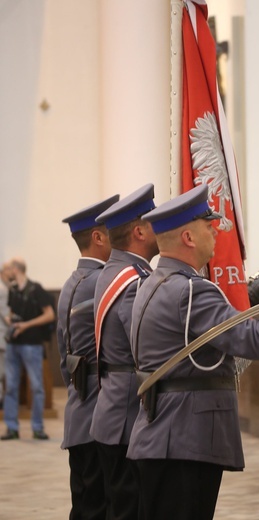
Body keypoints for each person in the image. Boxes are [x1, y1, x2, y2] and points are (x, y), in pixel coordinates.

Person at [127, 184, 259, 520]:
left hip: (165, 434)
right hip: (183, 437)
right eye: (207, 224)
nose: (216, 229)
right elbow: (248, 339)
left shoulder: (154, 283)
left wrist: (248, 301)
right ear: (188, 237)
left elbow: (203, 333)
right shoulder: (191, 290)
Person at [90, 184, 158, 520]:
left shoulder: (116, 271)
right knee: (130, 511)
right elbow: (149, 345)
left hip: (115, 410)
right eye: (154, 219)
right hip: (126, 418)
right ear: (140, 231)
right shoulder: (131, 280)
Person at [57, 193, 119, 520]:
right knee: (97, 507)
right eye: (114, 231)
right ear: (97, 237)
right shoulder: (101, 283)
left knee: (84, 505)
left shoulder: (71, 283)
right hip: (99, 414)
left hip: (78, 412)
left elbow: (62, 353)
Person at [1, 257, 55, 440]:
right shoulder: (13, 290)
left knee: (37, 386)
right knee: (11, 387)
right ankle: (12, 427)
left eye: (6, 269)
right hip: (13, 344)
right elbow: (11, 313)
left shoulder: (36, 289)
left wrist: (26, 325)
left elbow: (49, 315)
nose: (4, 272)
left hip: (32, 345)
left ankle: (38, 427)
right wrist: (11, 321)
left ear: (15, 270)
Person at [0, 262, 12, 408]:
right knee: (1, 370)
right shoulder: (2, 289)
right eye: (10, 269)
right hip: (2, 335)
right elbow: (6, 315)